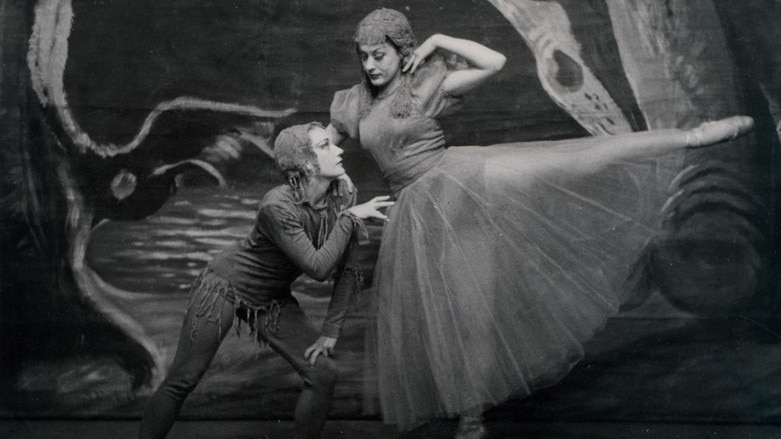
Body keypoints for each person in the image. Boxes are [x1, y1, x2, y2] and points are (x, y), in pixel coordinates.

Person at [326, 7, 754, 438]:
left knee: (573, 164)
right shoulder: (355, 103)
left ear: (402, 53)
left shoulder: (424, 86)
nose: (370, 65)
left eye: (379, 55)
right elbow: (322, 145)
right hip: (416, 215)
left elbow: (495, 62)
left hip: (463, 184)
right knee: (448, 315)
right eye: (364, 57)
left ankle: (696, 135)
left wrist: (438, 40)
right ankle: (468, 414)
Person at [138, 122, 394, 439]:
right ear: (306, 164)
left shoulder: (343, 197)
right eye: (326, 146)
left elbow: (348, 270)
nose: (339, 149)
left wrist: (331, 330)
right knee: (184, 378)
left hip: (270, 297)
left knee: (324, 373)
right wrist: (349, 219)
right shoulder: (277, 206)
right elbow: (318, 267)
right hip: (226, 285)